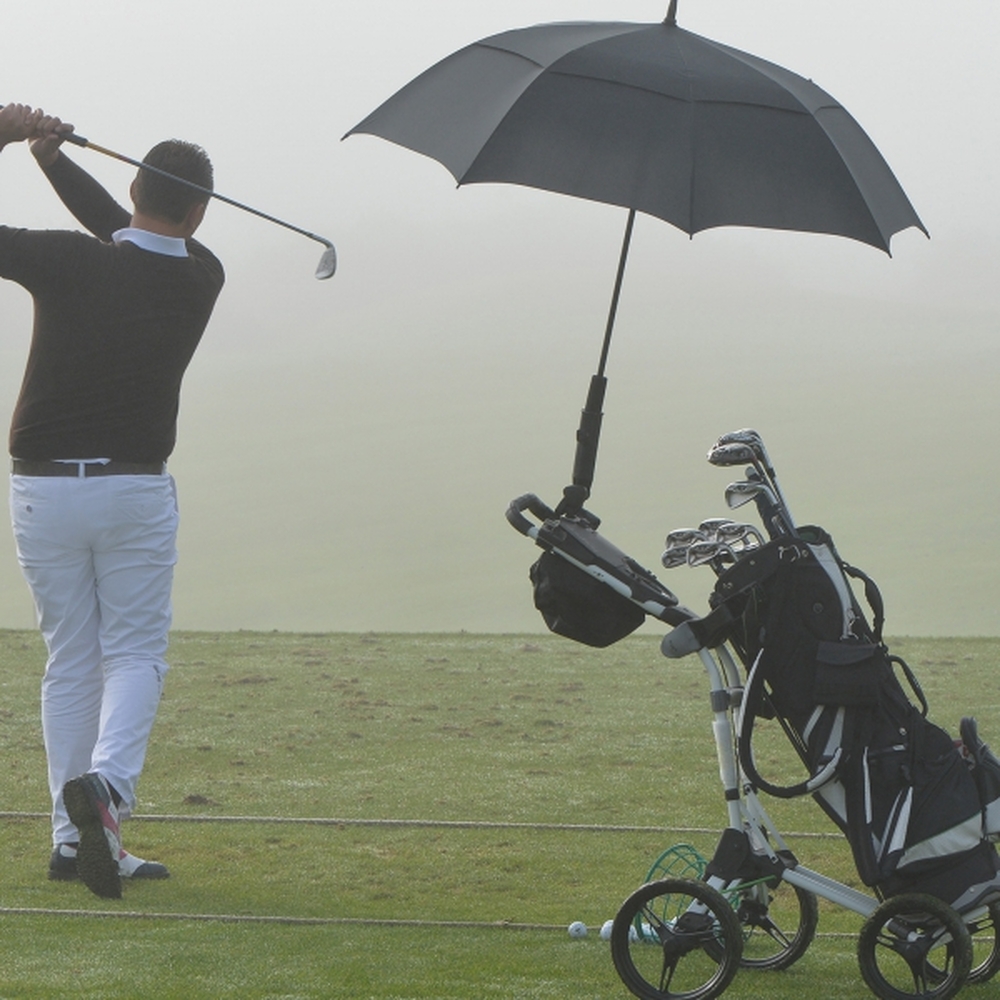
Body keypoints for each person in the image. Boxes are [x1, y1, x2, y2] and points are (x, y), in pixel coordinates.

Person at [0, 103, 225, 899]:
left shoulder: (66, 259)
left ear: (132, 188)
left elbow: (116, 234)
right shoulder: (203, 274)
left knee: (71, 659)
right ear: (199, 212)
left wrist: (19, 146)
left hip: (42, 488)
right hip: (133, 490)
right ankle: (107, 795)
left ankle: (73, 842)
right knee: (132, 655)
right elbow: (133, 236)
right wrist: (54, 161)